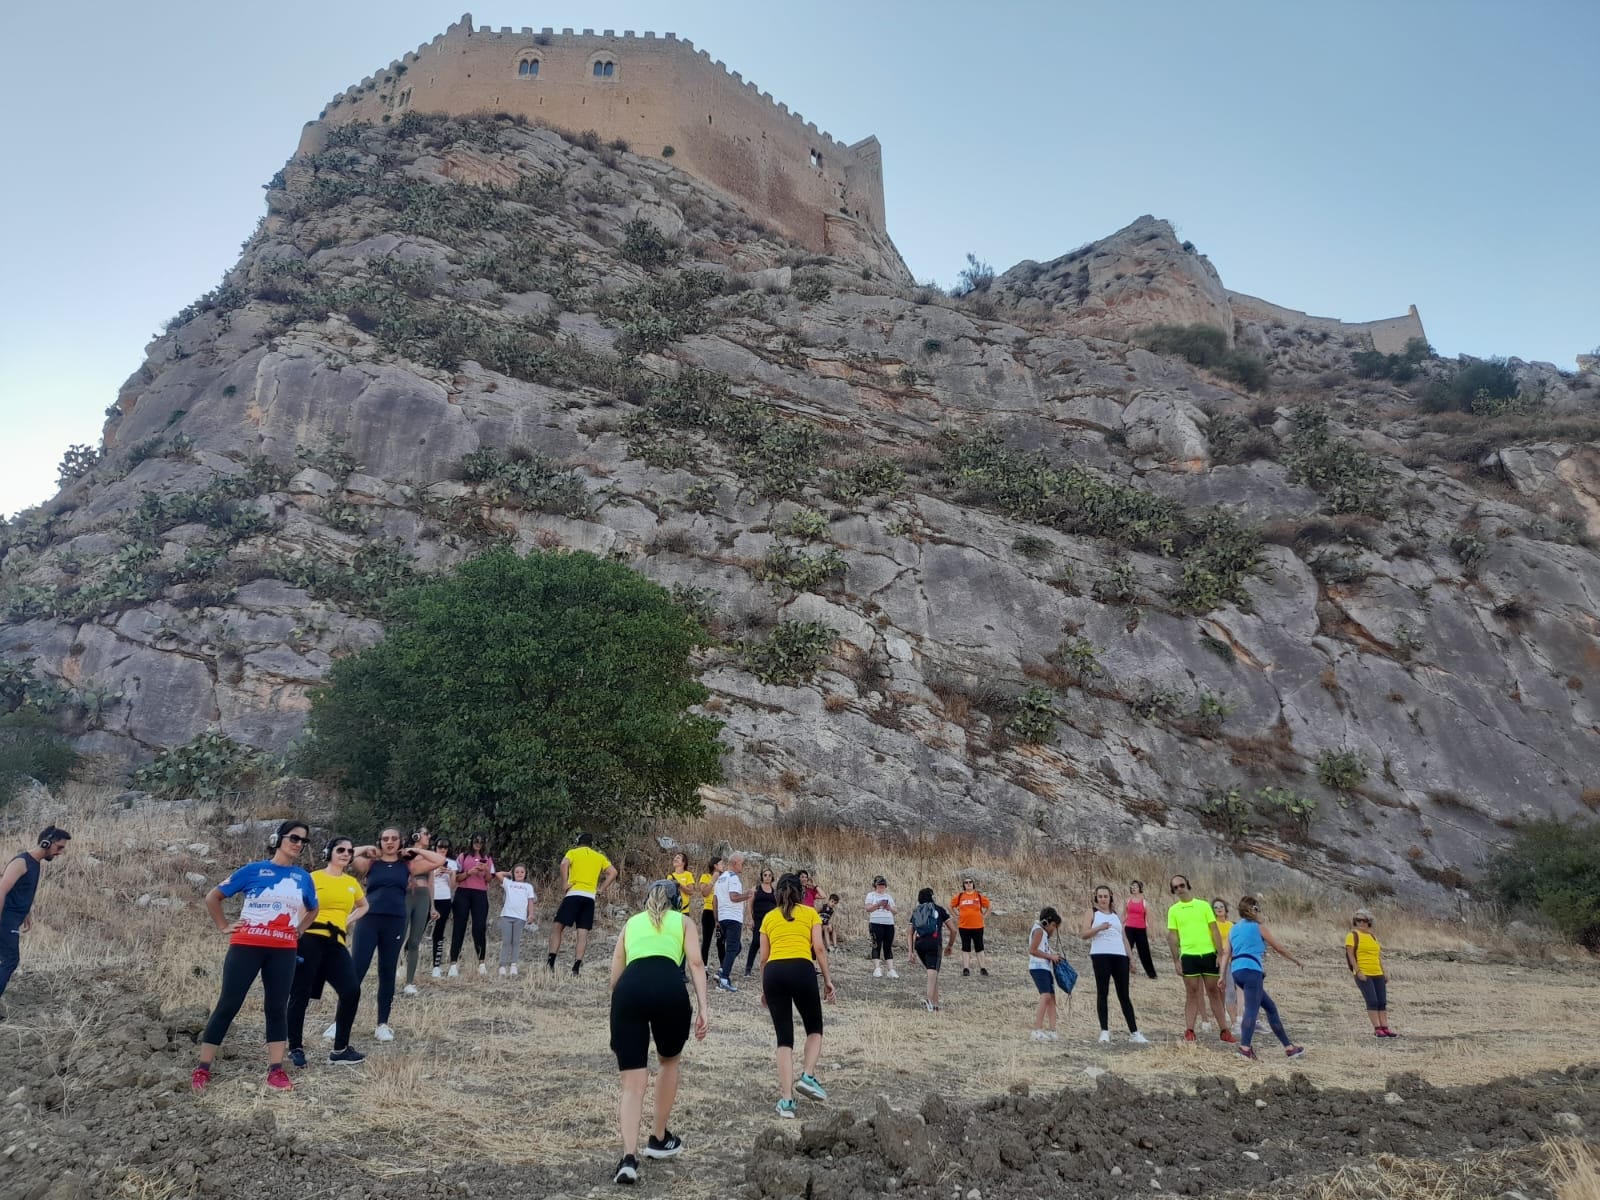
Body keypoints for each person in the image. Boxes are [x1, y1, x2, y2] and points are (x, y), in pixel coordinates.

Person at [193, 820, 318, 1092]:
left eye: (303, 841)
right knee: (228, 1004)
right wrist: (224, 926)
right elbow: (213, 897)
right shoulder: (253, 870)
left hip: (284, 950)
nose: (298, 844)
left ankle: (276, 1071)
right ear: (278, 839)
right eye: (293, 838)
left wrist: (299, 930)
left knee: (276, 1008)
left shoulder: (303, 878)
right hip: (246, 946)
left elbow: (313, 908)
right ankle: (202, 1069)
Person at [608, 879, 709, 1185]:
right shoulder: (684, 921)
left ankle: (628, 1158)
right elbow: (695, 961)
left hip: (629, 991)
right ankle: (658, 1138)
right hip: (668, 988)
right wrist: (704, 1007)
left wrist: (620, 998)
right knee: (669, 1061)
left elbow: (617, 962)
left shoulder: (632, 922)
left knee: (632, 1082)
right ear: (677, 902)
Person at [348, 828, 446, 1041]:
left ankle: (382, 1024)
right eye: (385, 839)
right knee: (357, 970)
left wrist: (411, 849)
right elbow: (348, 853)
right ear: (380, 842)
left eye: (394, 838)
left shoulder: (408, 865)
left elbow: (439, 859)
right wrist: (366, 848)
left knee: (387, 972)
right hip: (369, 920)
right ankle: (341, 1022)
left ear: (400, 841)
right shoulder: (370, 864)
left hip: (394, 921)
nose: (390, 842)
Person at [755, 873, 836, 1118]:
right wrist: (828, 980)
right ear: (801, 893)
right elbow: (819, 948)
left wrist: (764, 989)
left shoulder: (769, 917)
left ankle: (787, 1101)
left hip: (774, 973)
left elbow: (763, 958)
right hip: (802, 969)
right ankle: (808, 1076)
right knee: (814, 1028)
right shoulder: (810, 913)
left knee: (784, 1039)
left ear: (778, 893)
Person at [287, 836, 369, 1068]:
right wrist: (295, 935)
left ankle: (340, 1049)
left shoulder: (351, 882)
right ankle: (295, 1047)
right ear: (329, 852)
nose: (345, 854)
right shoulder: (313, 877)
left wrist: (348, 920)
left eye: (349, 851)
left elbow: (364, 905)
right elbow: (300, 906)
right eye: (340, 849)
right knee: (300, 994)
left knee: (351, 991)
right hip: (310, 938)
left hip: (336, 943)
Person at [0, 825, 71, 1011]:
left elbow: (22, 890)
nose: (60, 852)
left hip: (14, 918)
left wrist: (27, 912)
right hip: (5, 918)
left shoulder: (35, 863)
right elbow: (2, 889)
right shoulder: (21, 862)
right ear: (46, 842)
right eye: (59, 847)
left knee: (7, 960)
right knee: (10, 960)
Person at [1229, 896, 1305, 1061]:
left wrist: (1222, 976)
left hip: (1236, 972)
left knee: (1270, 1008)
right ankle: (1245, 1049)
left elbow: (1225, 953)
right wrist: (1295, 960)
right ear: (1254, 910)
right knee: (1251, 1010)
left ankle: (1289, 1048)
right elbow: (1277, 947)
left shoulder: (1233, 928)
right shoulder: (1258, 927)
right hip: (1252, 971)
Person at [1165, 875, 1235, 1044]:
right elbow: (1173, 936)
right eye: (1175, 887)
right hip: (1188, 956)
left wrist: (1219, 954)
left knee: (1214, 992)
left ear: (1188, 885)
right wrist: (1176, 960)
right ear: (1173, 891)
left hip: (1208, 954)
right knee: (1192, 993)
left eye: (1182, 885)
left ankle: (1224, 1030)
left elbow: (1214, 930)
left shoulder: (1203, 905)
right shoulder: (1173, 910)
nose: (1179, 888)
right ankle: (1189, 1030)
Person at [1079, 885, 1147, 1045]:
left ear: (1110, 897)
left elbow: (1124, 938)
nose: (1103, 899)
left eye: (1105, 896)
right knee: (1103, 992)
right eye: (1100, 896)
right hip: (1101, 955)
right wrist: (1099, 928)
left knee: (1124, 994)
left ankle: (1134, 1032)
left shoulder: (1116, 915)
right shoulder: (1092, 913)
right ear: (1096, 898)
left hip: (1120, 956)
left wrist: (1131, 958)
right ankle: (1104, 1031)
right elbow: (1084, 934)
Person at [547, 832, 617, 976]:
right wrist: (601, 889)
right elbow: (613, 872)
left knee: (557, 927)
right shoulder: (599, 857)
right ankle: (576, 967)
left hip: (574, 894)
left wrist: (565, 882)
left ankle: (551, 962)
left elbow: (563, 864)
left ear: (578, 841)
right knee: (582, 932)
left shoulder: (573, 852)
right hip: (589, 897)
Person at [1345, 908, 1398, 1037]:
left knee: (1382, 1001)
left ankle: (1385, 1027)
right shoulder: (1352, 935)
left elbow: (1377, 956)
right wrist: (1358, 971)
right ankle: (1377, 1028)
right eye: (1358, 920)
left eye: (1364, 920)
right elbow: (1350, 955)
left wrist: (1383, 971)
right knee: (1372, 1000)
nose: (1361, 923)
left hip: (1377, 972)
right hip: (1364, 973)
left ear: (1369, 922)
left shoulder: (1373, 937)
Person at [450, 833, 496, 976]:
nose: (478, 843)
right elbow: (456, 877)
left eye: (481, 841)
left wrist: (485, 870)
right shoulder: (462, 857)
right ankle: (453, 963)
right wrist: (469, 872)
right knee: (459, 927)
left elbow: (489, 880)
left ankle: (481, 963)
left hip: (480, 894)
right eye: (476, 841)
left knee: (479, 927)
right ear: (471, 842)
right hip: (463, 892)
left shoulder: (488, 858)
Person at [400, 827, 436, 996]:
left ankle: (409, 982)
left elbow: (431, 883)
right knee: (398, 937)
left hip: (422, 897)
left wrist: (433, 906)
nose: (429, 837)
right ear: (416, 836)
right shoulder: (405, 852)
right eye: (425, 834)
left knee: (415, 940)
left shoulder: (429, 856)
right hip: (405, 895)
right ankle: (392, 975)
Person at [908, 887, 954, 1012]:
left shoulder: (916, 911)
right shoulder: (938, 909)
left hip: (919, 944)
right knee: (932, 972)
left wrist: (910, 952)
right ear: (932, 897)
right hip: (934, 943)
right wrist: (950, 945)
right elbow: (953, 930)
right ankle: (928, 999)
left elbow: (910, 932)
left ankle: (935, 1004)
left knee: (933, 973)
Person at [714, 853, 750, 992]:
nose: (743, 866)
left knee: (737, 947)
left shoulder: (720, 879)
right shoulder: (733, 878)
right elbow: (734, 897)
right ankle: (724, 978)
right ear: (735, 863)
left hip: (723, 917)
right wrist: (748, 894)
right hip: (733, 917)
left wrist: (717, 919)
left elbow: (715, 900)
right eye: (742, 863)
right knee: (732, 948)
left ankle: (722, 970)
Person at [1027, 907, 1063, 1042]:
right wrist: (1050, 956)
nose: (1053, 929)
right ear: (1047, 922)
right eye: (1053, 925)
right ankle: (1037, 1029)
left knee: (1051, 998)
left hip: (1045, 967)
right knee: (1045, 995)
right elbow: (1033, 950)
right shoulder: (1039, 931)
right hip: (1038, 966)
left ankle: (1053, 1030)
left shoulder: (1042, 932)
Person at [495, 864, 537, 976]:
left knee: (516, 941)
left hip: (520, 917)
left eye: (522, 872)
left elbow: (530, 902)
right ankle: (503, 965)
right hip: (507, 916)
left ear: (525, 874)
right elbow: (498, 874)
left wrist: (531, 914)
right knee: (506, 941)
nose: (519, 874)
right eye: (517, 872)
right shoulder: (509, 883)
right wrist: (508, 873)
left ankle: (513, 965)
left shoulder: (528, 887)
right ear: (513, 873)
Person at [949, 875, 992, 977]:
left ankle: (982, 968)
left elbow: (989, 905)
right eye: (966, 882)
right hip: (964, 926)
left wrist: (984, 916)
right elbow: (950, 905)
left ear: (973, 884)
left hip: (978, 926)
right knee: (965, 947)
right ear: (963, 885)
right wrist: (955, 915)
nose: (968, 884)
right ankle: (966, 968)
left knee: (979, 947)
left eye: (970, 882)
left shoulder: (978, 896)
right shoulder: (960, 896)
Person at [429, 837, 457, 978]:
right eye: (440, 847)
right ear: (435, 847)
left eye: (445, 848)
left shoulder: (452, 863)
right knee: (419, 930)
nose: (442, 850)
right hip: (429, 898)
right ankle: (405, 964)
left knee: (439, 933)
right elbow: (426, 880)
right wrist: (435, 873)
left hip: (444, 898)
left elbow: (453, 886)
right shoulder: (429, 860)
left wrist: (451, 874)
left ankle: (436, 966)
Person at [744, 867, 778, 978]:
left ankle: (769, 967)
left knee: (771, 943)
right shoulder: (756, 889)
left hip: (771, 921)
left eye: (769, 875)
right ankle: (748, 968)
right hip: (758, 918)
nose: (767, 877)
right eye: (765, 875)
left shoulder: (775, 891)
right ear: (761, 877)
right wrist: (750, 918)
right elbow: (749, 904)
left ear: (772, 877)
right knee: (755, 942)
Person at [864, 875, 898, 978]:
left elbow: (895, 911)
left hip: (888, 923)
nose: (881, 887)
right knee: (876, 945)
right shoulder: (871, 895)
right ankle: (877, 968)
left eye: (883, 885)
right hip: (875, 922)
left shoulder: (889, 896)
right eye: (879, 885)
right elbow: (868, 908)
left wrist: (888, 907)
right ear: (875, 885)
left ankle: (891, 969)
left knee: (888, 946)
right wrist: (877, 905)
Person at [1211, 897, 1237, 1033]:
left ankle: (1233, 1020)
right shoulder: (1213, 925)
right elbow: (1211, 942)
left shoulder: (1231, 925)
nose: (1219, 909)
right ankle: (1227, 1020)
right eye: (1216, 907)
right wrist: (1218, 955)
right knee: (1223, 990)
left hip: (1233, 959)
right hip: (1219, 960)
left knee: (1232, 990)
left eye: (1221, 906)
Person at [1123, 880, 1157, 979]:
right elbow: (1124, 915)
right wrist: (1118, 925)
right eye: (1132, 886)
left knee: (1144, 952)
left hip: (1141, 929)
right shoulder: (1128, 901)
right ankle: (1124, 970)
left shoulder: (1145, 902)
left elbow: (1150, 918)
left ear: (1140, 889)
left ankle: (1151, 974)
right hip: (1128, 928)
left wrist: (1152, 932)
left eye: (1136, 886)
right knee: (1126, 950)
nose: (1133, 888)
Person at [698, 855, 724, 967]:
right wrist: (713, 880)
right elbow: (704, 893)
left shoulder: (724, 878)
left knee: (721, 941)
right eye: (721, 864)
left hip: (721, 912)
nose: (723, 866)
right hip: (708, 911)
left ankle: (723, 968)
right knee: (706, 941)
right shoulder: (705, 877)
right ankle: (704, 967)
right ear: (715, 865)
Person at [666, 851, 696, 916]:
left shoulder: (688, 875)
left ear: (684, 862)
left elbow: (691, 892)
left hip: (684, 910)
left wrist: (679, 885)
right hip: (672, 910)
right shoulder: (669, 876)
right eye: (675, 858)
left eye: (678, 858)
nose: (675, 859)